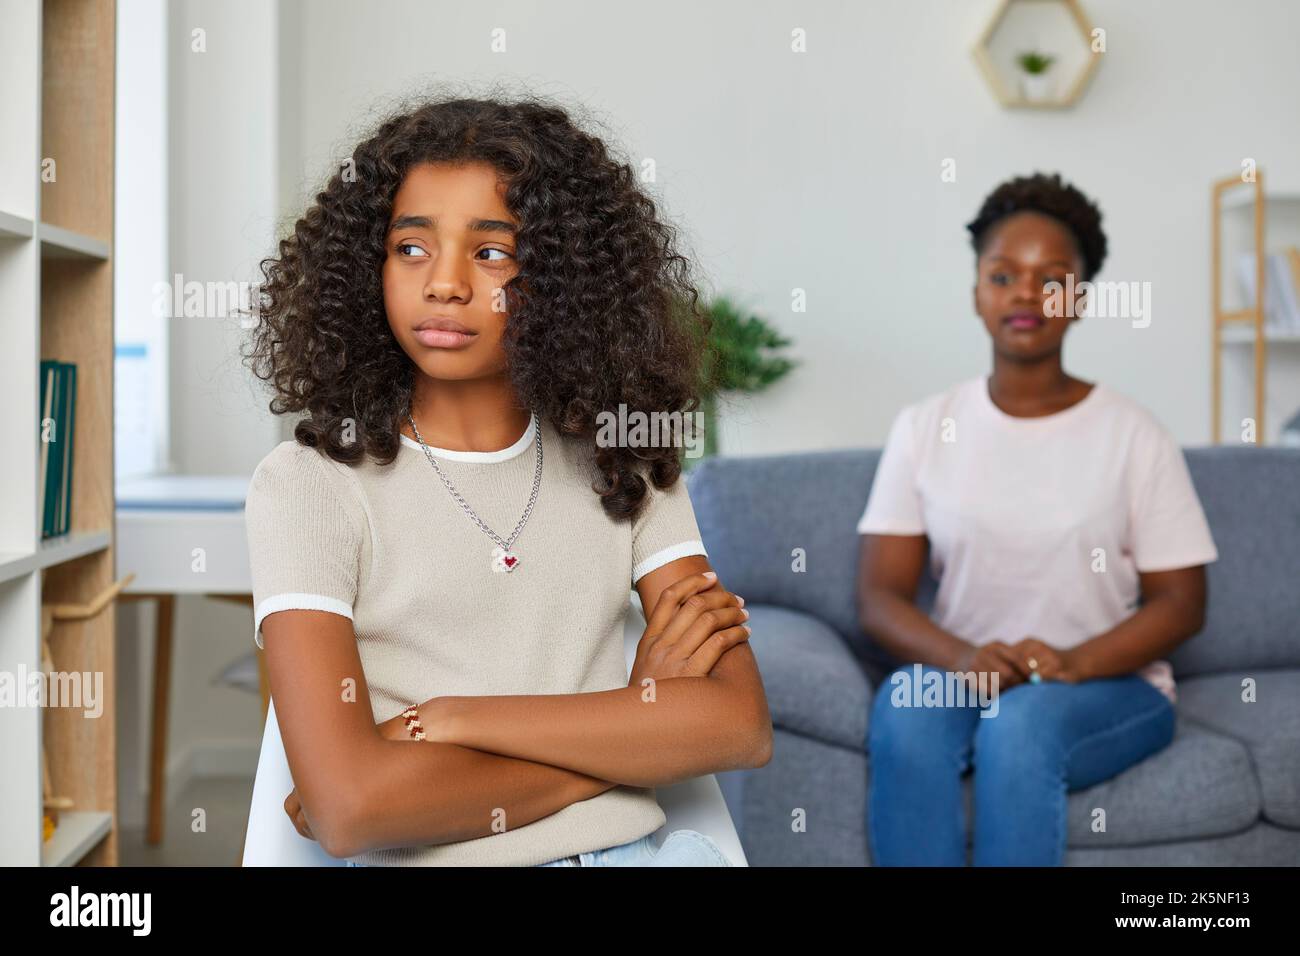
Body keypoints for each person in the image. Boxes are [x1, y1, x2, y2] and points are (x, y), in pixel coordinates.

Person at [241, 92, 771, 867]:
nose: (446, 283)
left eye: (493, 252)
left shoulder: (626, 462)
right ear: (369, 266)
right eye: (411, 247)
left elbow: (738, 726)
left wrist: (452, 720)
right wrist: (625, 732)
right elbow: (349, 810)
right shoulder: (308, 488)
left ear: (563, 278)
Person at [856, 172, 1218, 866]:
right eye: (1003, 274)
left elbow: (1183, 604)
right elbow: (879, 598)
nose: (1027, 293)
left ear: (1080, 296)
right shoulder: (925, 427)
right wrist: (963, 659)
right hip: (969, 674)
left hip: (1109, 685)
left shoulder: (1135, 434)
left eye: (1052, 278)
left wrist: (1072, 664)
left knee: (1021, 723)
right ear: (977, 293)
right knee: (906, 702)